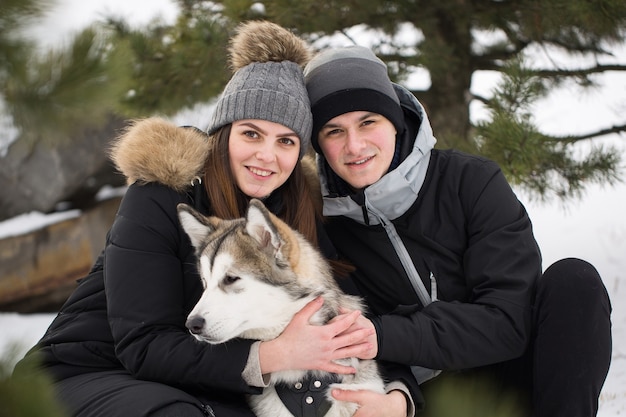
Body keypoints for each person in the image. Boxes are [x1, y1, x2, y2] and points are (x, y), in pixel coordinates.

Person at [12, 21, 419, 417]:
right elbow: (142, 345)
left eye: (286, 141)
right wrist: (276, 354)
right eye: (251, 134)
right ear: (224, 134)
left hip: (204, 383)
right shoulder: (161, 196)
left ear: (299, 154)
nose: (267, 155)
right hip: (85, 373)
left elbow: (351, 315)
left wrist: (397, 396)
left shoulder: (292, 218)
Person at [301, 45, 613, 417]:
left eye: (368, 122)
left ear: (395, 121)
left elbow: (508, 321)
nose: (354, 146)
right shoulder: (325, 226)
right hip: (425, 399)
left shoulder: (471, 182)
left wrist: (384, 334)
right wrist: (399, 396)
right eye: (334, 131)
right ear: (319, 145)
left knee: (574, 282)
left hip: (516, 377)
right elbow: (349, 339)